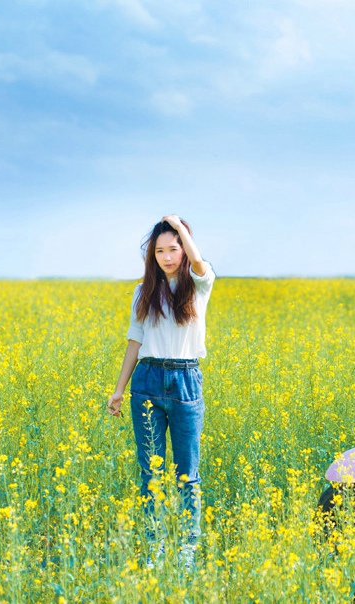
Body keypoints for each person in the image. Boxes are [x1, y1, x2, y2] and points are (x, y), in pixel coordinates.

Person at [107, 214, 215, 570]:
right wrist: (119, 390)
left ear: (184, 248)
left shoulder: (199, 284)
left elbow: (199, 263)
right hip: (147, 383)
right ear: (151, 256)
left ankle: (187, 550)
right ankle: (156, 546)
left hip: (185, 380)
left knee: (188, 473)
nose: (167, 256)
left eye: (174, 248)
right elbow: (135, 340)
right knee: (150, 473)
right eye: (159, 251)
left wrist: (181, 227)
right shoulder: (143, 291)